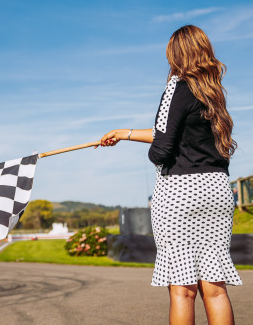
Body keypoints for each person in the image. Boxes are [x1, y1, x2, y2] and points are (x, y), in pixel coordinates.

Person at [98, 25, 241, 325]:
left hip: (180, 192)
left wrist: (154, 157)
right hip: (217, 190)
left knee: (182, 290)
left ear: (176, 54)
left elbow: (163, 147)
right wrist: (124, 133)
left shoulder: (176, 86)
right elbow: (173, 133)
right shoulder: (212, 93)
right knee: (215, 289)